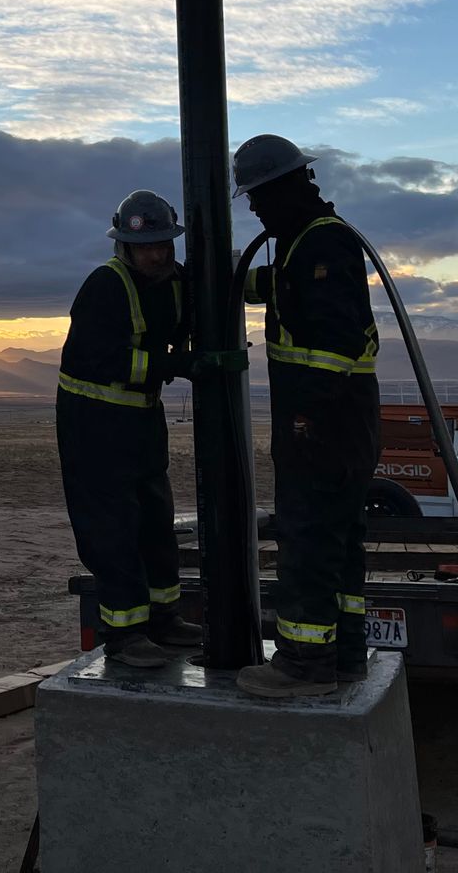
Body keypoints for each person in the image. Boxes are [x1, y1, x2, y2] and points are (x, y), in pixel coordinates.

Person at [231, 136, 381, 698]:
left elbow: (335, 341)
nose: (253, 209)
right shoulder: (303, 246)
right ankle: (343, 656)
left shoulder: (321, 246)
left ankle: (304, 665)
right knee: (338, 542)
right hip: (340, 424)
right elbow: (283, 290)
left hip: (324, 425)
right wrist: (215, 278)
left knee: (310, 539)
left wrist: (307, 417)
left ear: (283, 188)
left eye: (257, 197)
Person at [57, 189, 205, 669]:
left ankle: (165, 618)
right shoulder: (105, 286)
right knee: (113, 528)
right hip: (95, 426)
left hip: (143, 419)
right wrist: (172, 364)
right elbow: (99, 359)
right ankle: (124, 635)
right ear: (124, 246)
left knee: (155, 520)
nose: (157, 253)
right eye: (147, 246)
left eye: (164, 244)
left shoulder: (176, 281)